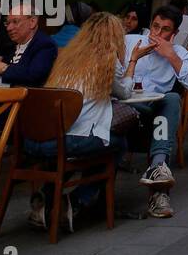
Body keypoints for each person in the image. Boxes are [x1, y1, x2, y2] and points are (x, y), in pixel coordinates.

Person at [24, 11, 131, 230]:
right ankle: (75, 201)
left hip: (39, 138)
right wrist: (132, 63)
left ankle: (46, 198)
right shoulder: (106, 62)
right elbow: (126, 93)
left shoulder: (66, 57)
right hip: (68, 141)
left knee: (83, 145)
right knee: (117, 144)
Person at [122, 5, 188, 218]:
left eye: (164, 30)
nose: (156, 34)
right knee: (163, 114)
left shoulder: (178, 53)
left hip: (152, 117)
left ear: (173, 34)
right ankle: (159, 190)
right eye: (155, 27)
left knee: (171, 99)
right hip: (123, 108)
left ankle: (158, 169)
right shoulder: (129, 42)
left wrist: (171, 56)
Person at [0, 7, 57, 87]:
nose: (9, 28)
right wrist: (1, 59)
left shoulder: (44, 44)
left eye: (15, 22)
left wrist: (4, 68)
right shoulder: (14, 45)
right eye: (7, 23)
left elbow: (34, 76)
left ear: (32, 22)